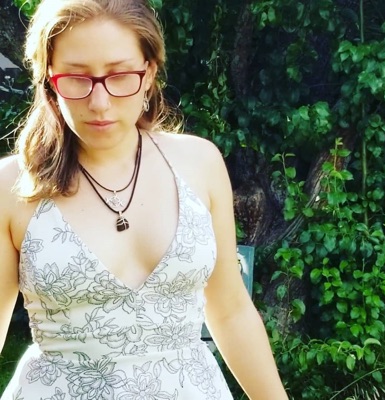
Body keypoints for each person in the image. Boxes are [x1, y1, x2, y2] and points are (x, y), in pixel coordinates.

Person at [0, 0, 288, 399]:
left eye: (120, 76)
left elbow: (230, 310)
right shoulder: (12, 186)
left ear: (149, 72)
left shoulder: (200, 163)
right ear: (50, 77)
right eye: (77, 78)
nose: (99, 103)